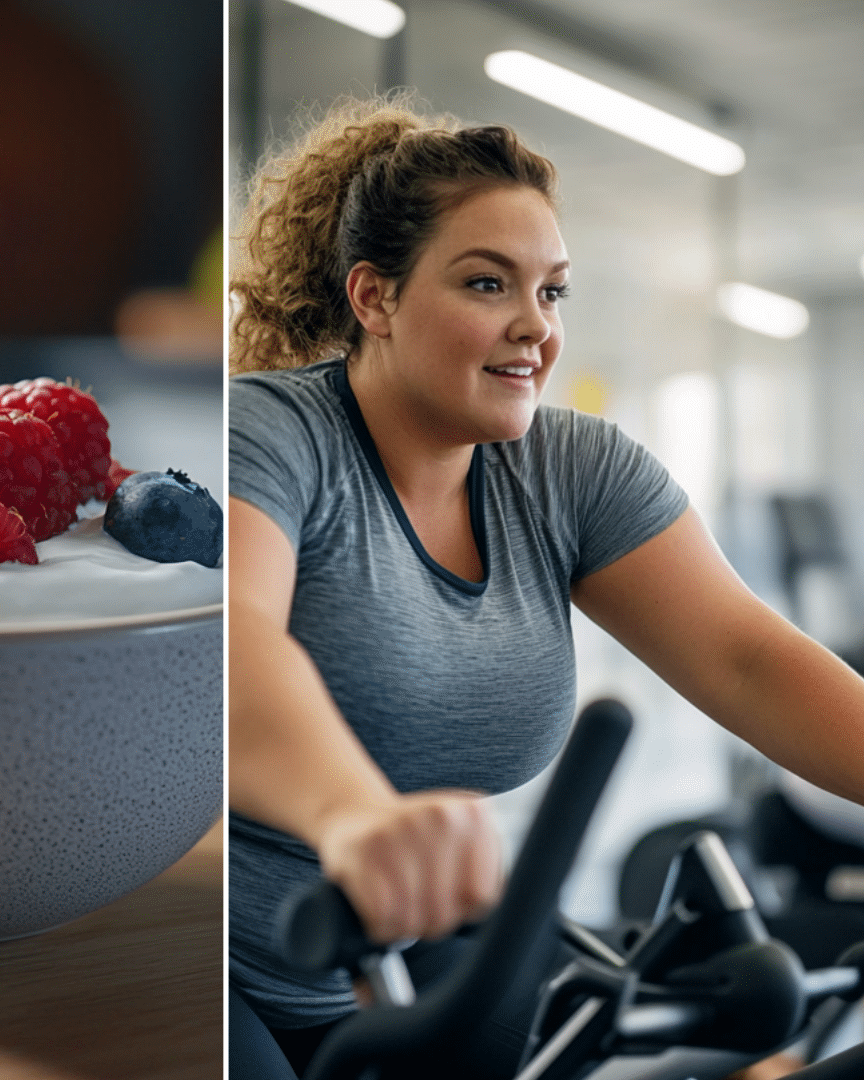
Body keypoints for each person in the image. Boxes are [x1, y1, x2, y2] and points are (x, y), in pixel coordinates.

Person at [228, 95, 864, 1079]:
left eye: (553, 292)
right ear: (374, 298)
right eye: (489, 284)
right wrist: (352, 814)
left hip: (408, 960)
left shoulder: (573, 473)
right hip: (226, 962)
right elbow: (230, 642)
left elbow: (747, 661)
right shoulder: (270, 434)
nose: (536, 327)